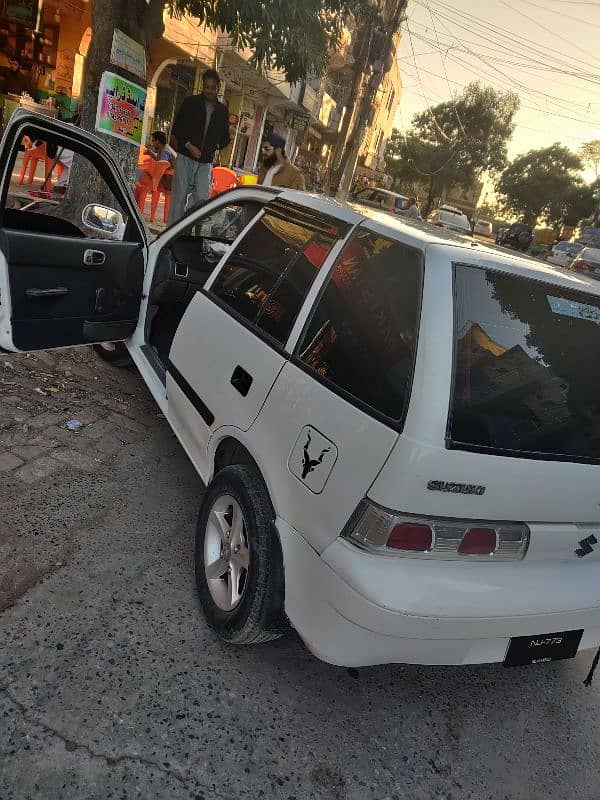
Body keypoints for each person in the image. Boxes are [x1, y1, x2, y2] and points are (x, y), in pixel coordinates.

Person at [167, 69, 230, 224]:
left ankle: (186, 229)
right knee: (179, 197)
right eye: (206, 87)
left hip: (205, 162)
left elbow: (225, 138)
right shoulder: (191, 103)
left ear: (218, 88)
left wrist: (213, 147)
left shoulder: (222, 111)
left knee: (201, 198)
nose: (209, 90)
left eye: (212, 87)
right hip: (185, 157)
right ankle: (171, 233)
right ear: (203, 86)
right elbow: (177, 129)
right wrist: (189, 145)